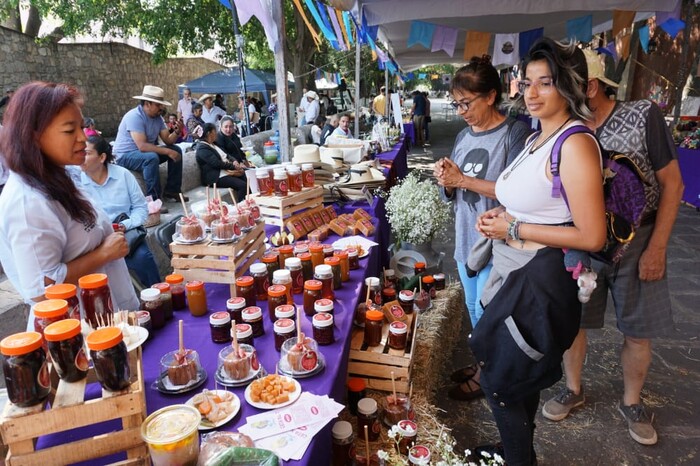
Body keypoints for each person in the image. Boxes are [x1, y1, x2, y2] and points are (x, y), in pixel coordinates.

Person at [472, 38, 606, 465]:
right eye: (526, 82)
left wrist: (513, 225)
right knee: (517, 375)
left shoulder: (575, 144)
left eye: (544, 83)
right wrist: (503, 214)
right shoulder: (536, 138)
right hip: (514, 269)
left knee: (500, 382)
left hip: (539, 277)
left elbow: (592, 235)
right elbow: (537, 200)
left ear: (569, 86)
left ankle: (518, 459)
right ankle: (516, 451)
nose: (530, 93)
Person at [541, 49, 684, 446]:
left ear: (590, 85)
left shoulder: (642, 115)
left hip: (638, 240)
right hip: (582, 243)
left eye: (567, 86)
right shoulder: (566, 126)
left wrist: (657, 248)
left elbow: (673, 185)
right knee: (574, 323)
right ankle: (572, 388)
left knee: (638, 331)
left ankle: (632, 401)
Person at [0, 81, 139, 327]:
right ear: (34, 135)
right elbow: (43, 288)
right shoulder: (27, 202)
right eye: (68, 130)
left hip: (104, 314)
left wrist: (104, 235)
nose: (82, 138)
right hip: (76, 330)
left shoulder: (63, 175)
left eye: (82, 127)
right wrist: (103, 253)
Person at [433, 56, 531, 401]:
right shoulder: (463, 135)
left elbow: (519, 190)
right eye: (456, 103)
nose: (461, 111)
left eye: (466, 102)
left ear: (490, 96)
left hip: (500, 244)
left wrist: (463, 179)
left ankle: (494, 379)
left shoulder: (515, 134)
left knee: (494, 316)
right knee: (475, 311)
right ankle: (484, 369)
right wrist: (447, 181)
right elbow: (455, 191)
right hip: (466, 240)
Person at [79, 136, 161, 287]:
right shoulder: (77, 182)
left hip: (126, 233)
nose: (81, 157)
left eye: (87, 153)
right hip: (96, 240)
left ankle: (159, 297)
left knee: (144, 258)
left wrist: (125, 224)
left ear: (102, 157)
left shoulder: (123, 175)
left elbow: (140, 208)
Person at [112, 85, 186, 205]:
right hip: (124, 156)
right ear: (147, 104)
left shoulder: (158, 118)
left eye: (161, 104)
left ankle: (172, 190)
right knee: (151, 157)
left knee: (176, 149)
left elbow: (168, 140)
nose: (161, 107)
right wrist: (167, 152)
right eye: (158, 105)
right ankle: (153, 199)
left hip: (144, 153)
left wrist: (177, 131)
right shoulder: (134, 116)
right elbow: (142, 146)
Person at [195, 123, 247, 202]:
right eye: (214, 131)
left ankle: (250, 201)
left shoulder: (213, 144)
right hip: (216, 177)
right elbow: (216, 163)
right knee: (242, 185)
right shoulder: (202, 149)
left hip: (225, 171)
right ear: (209, 134)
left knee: (245, 176)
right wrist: (233, 167)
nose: (216, 133)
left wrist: (234, 161)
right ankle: (241, 207)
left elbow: (226, 155)